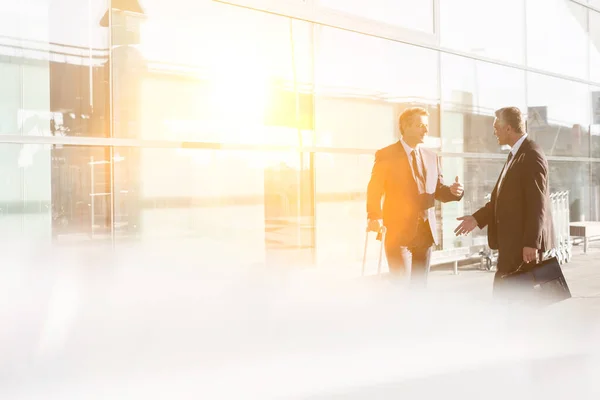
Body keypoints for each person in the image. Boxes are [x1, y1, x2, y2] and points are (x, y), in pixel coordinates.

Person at [454, 107, 555, 299]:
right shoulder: (515, 156)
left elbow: (537, 204)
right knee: (507, 304)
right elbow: (500, 200)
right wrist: (476, 219)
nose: (494, 132)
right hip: (511, 247)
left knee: (519, 306)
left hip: (523, 250)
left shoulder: (531, 154)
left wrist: (531, 243)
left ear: (508, 128)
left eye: (496, 128)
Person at [366, 107, 464, 287]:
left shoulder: (431, 156)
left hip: (425, 234)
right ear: (405, 126)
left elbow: (438, 190)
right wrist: (374, 216)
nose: (426, 130)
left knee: (419, 290)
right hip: (398, 234)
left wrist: (454, 192)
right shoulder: (386, 155)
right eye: (420, 125)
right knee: (402, 288)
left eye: (426, 126)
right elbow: (374, 189)